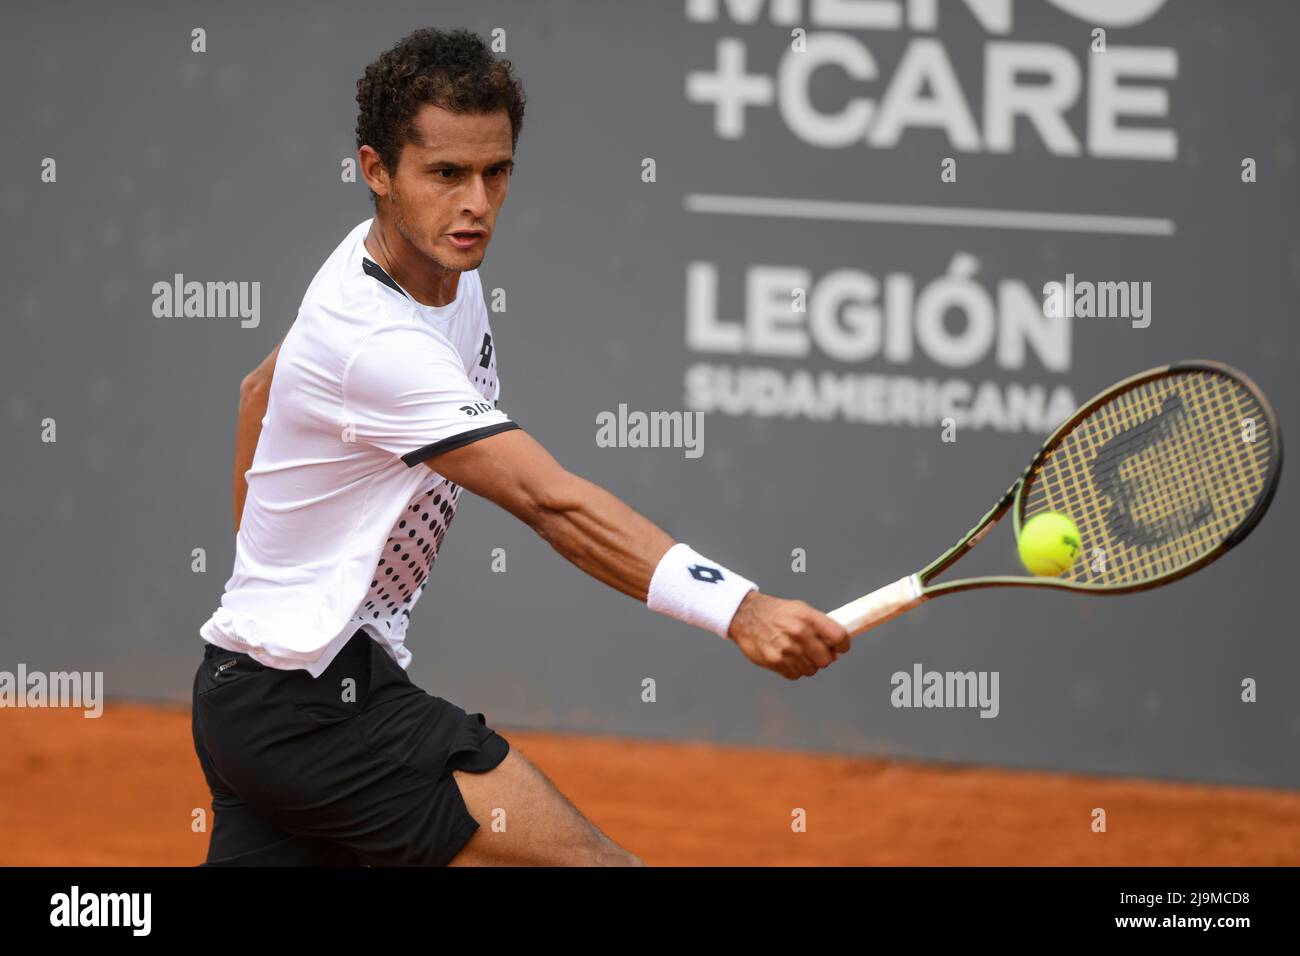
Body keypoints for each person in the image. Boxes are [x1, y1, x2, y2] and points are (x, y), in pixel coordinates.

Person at [192, 27, 851, 868]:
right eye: (445, 174)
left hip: (251, 692)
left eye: (494, 172)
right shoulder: (375, 341)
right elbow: (550, 502)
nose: (475, 203)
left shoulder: (420, 266)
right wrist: (743, 610)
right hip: (313, 710)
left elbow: (259, 391)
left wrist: (271, 594)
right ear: (376, 170)